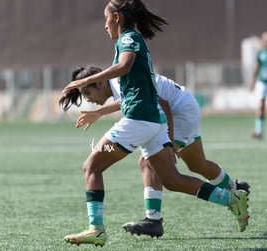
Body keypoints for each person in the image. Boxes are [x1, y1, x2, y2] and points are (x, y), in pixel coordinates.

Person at [60, 0, 249, 247]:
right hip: (153, 119)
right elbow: (136, 87)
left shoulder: (128, 39)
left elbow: (125, 67)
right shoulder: (127, 43)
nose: (105, 25)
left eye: (106, 19)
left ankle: (97, 229)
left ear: (117, 18)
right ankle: (230, 198)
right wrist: (99, 112)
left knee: (91, 166)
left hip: (143, 117)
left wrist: (82, 81)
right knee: (172, 180)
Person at [60, 66, 250, 238]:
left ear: (100, 83)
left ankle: (154, 219)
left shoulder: (120, 80)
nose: (87, 99)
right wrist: (101, 112)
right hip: (184, 104)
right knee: (197, 164)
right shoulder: (117, 81)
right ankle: (233, 189)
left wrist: (169, 138)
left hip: (179, 112)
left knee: (149, 164)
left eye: (87, 92)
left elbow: (163, 104)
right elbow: (129, 100)